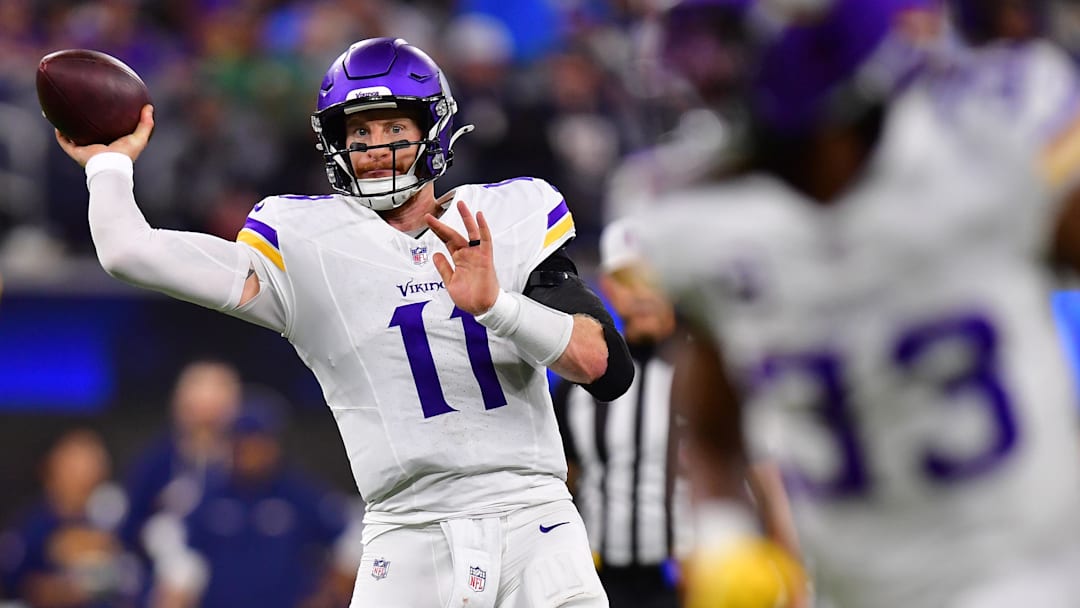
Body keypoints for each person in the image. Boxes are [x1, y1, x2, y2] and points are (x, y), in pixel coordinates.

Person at [55, 37, 634, 606]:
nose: (376, 147)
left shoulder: (504, 216)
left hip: (534, 521)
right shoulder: (307, 245)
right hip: (407, 534)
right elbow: (128, 253)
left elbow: (605, 368)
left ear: (434, 128)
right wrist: (108, 163)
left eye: (393, 127)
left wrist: (497, 307)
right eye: (359, 132)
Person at [622, 0, 1080, 606]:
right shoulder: (709, 227)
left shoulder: (982, 146)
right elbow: (711, 425)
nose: (706, 76)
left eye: (728, 49)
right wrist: (725, 534)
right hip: (855, 588)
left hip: (1026, 575)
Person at [552, 220, 800, 608]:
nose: (642, 292)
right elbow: (562, 482)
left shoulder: (707, 373)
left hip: (694, 580)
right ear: (609, 290)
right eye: (627, 279)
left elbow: (763, 479)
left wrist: (791, 569)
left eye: (652, 276)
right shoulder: (582, 383)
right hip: (603, 582)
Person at [156, 403, 357, 608]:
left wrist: (328, 596)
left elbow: (349, 539)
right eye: (241, 442)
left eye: (256, 442)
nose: (248, 451)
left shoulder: (300, 495)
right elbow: (185, 552)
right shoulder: (210, 494)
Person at [0, 429, 142, 608]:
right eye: (75, 469)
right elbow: (16, 583)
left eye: (92, 467)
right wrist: (68, 590)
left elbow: (135, 575)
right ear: (53, 470)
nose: (84, 476)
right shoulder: (31, 528)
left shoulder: (118, 520)